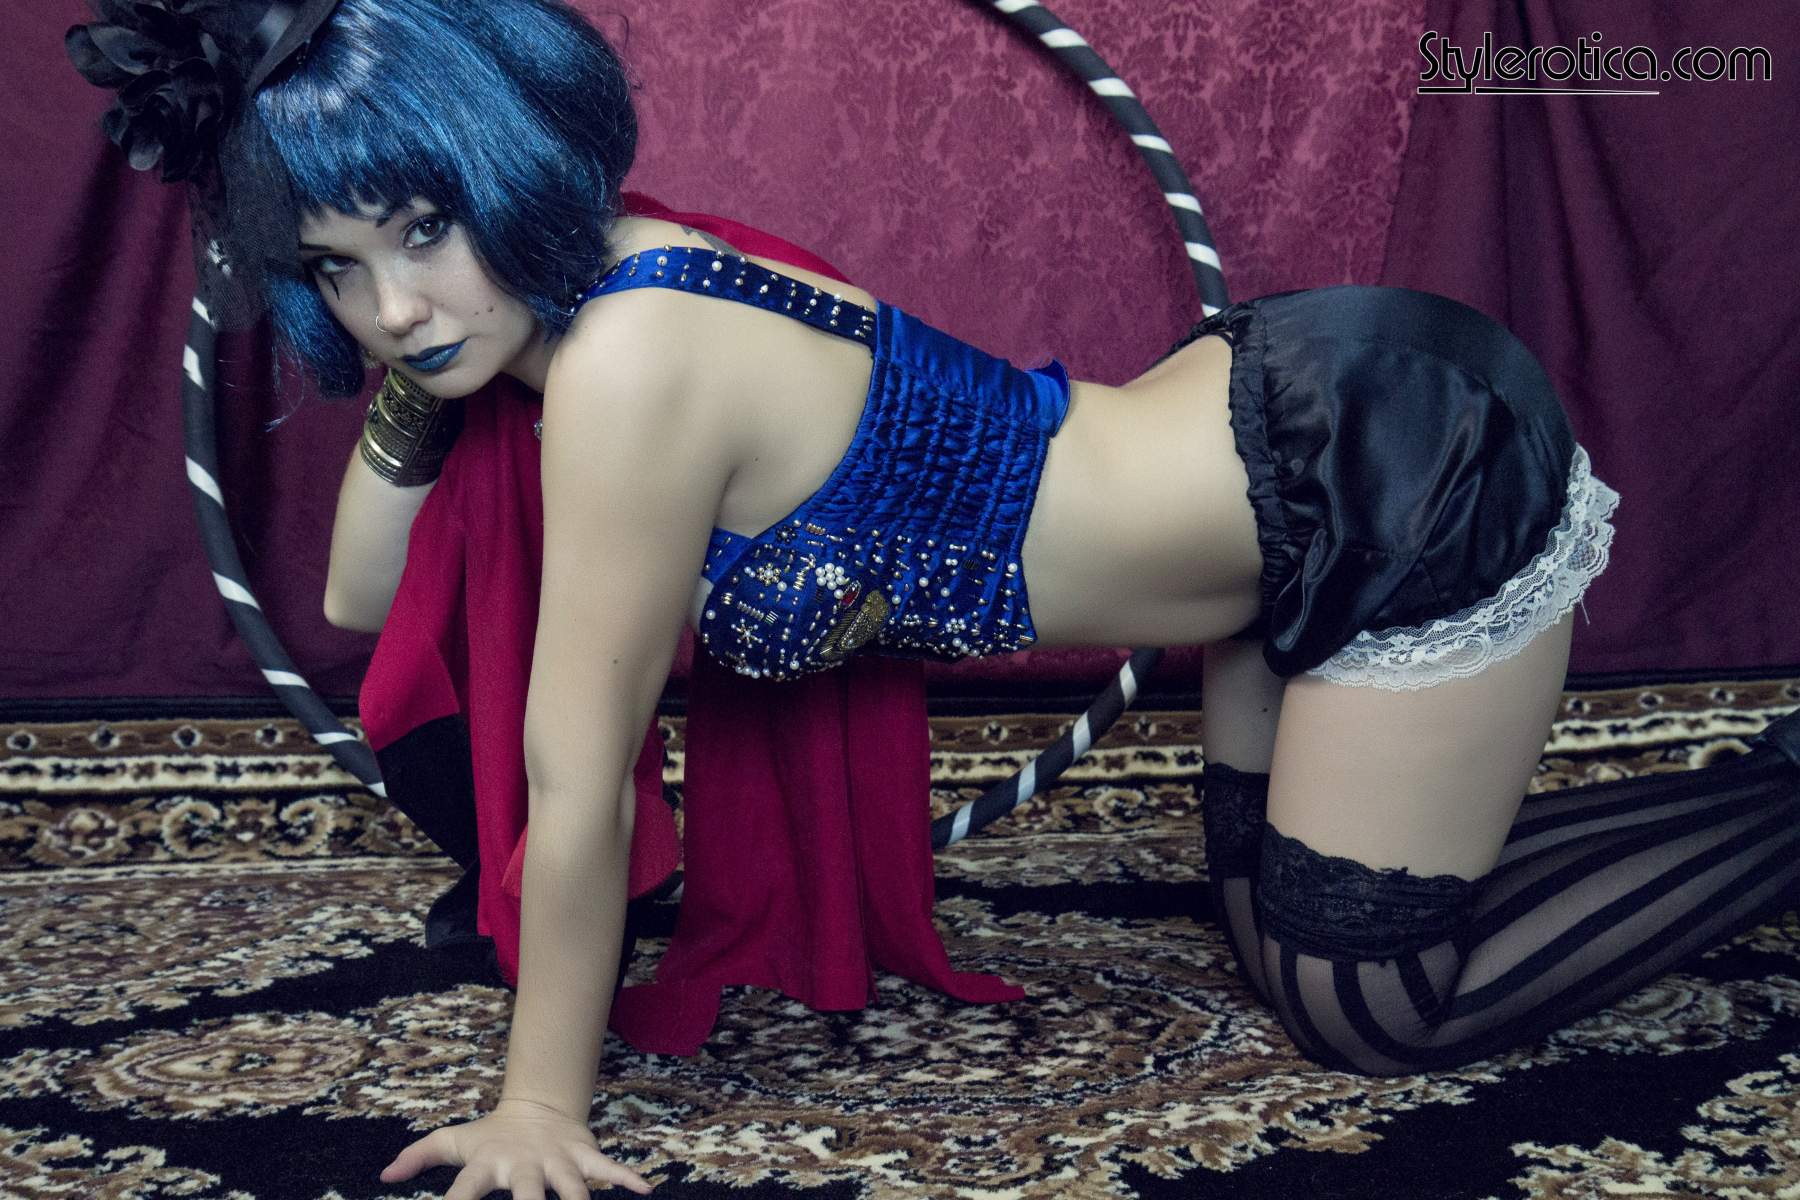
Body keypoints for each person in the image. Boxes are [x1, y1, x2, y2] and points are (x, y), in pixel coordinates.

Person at [67, 1, 1800, 1197]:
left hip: (1388, 467)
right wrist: (425, 354)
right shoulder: (574, 308)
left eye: (422, 228)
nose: (392, 306)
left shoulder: (633, 360)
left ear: (510, 163)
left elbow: (574, 780)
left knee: (1376, 1014)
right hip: (1256, 486)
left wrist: (538, 1105)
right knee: (1273, 933)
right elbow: (363, 593)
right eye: (334, 270)